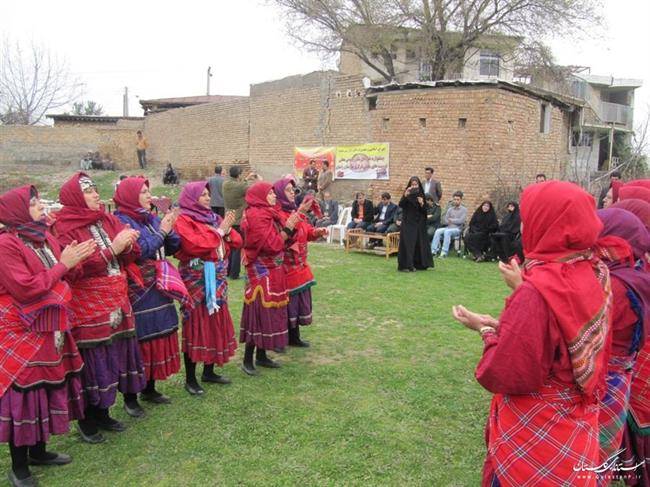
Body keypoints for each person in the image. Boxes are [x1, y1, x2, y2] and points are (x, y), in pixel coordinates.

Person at [452, 181, 612, 487]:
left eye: (529, 218)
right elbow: (559, 338)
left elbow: (507, 371)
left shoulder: (539, 291)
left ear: (549, 224)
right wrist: (506, 324)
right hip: (575, 430)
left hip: (536, 440)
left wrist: (486, 329)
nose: (523, 226)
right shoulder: (594, 271)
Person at [0, 186, 95, 486]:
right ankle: (19, 467)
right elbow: (25, 287)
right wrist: (62, 265)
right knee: (25, 393)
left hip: (51, 322)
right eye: (33, 203)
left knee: (46, 385)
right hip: (22, 326)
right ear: (17, 210)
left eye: (40, 201)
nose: (41, 207)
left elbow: (65, 273)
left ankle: (39, 451)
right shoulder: (6, 244)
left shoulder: (42, 237)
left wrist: (75, 262)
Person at [54, 172, 145, 443]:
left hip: (117, 296)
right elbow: (73, 269)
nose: (96, 195)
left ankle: (104, 411)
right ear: (75, 197)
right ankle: (86, 418)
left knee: (113, 354)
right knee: (91, 360)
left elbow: (130, 253)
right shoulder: (65, 226)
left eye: (95, 189)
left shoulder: (106, 219)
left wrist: (128, 244)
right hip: (89, 302)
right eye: (89, 191)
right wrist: (111, 250)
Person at [113, 177, 186, 405]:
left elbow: (173, 245)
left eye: (148, 192)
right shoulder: (121, 221)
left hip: (158, 285)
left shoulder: (149, 219)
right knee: (139, 339)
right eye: (143, 192)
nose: (148, 196)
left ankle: (150, 387)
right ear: (130, 195)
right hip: (138, 288)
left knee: (159, 331)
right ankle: (131, 396)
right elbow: (140, 250)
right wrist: (162, 233)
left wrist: (169, 229)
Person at [594, 208, 650, 483]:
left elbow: (575, 335)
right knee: (601, 455)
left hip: (600, 382)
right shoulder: (636, 277)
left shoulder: (612, 286)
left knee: (588, 458)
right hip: (619, 382)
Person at [174, 182, 242, 395]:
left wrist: (226, 232)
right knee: (196, 323)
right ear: (191, 198)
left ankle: (209, 371)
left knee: (214, 322)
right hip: (196, 279)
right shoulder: (184, 220)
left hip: (218, 278)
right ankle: (191, 377)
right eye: (202, 195)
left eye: (208, 194)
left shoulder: (213, 218)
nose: (207, 198)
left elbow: (237, 242)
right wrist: (219, 233)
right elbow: (195, 245)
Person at [239, 182, 299, 375]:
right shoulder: (256, 216)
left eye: (274, 193)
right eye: (270, 193)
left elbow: (283, 241)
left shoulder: (269, 213)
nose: (274, 196)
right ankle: (248, 359)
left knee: (268, 313)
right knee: (257, 312)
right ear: (260, 196)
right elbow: (272, 245)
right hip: (260, 271)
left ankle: (262, 356)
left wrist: (290, 228)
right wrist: (288, 228)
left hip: (274, 269)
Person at [273, 178, 326, 347]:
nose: (292, 193)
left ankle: (294, 337)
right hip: (287, 267)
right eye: (288, 190)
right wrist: (300, 214)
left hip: (300, 266)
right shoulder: (278, 214)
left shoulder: (295, 211)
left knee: (298, 302)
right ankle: (281, 339)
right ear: (280, 193)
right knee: (287, 305)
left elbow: (305, 231)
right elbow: (285, 236)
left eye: (293, 190)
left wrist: (316, 232)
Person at [222, 166, 257, 279]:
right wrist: (258, 179)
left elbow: (239, 185)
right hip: (238, 219)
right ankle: (234, 273)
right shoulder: (241, 186)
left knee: (229, 247)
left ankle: (227, 271)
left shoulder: (226, 184)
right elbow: (251, 189)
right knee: (237, 247)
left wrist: (246, 178)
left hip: (228, 218)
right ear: (238, 175)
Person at [397, 177, 434, 272]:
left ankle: (419, 264)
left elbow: (424, 212)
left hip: (419, 224)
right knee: (408, 244)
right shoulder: (407, 194)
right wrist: (405, 196)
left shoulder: (422, 195)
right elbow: (401, 205)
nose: (414, 186)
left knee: (419, 244)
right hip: (408, 223)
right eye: (412, 184)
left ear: (419, 185)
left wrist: (422, 204)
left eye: (416, 184)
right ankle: (406, 265)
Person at [430, 191, 467, 258]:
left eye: (457, 200)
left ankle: (444, 253)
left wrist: (452, 220)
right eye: (454, 199)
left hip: (458, 229)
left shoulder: (464, 210)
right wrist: (454, 220)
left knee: (447, 232)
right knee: (438, 231)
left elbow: (461, 221)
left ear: (461, 200)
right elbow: (446, 220)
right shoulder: (450, 209)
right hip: (448, 227)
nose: (456, 201)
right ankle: (433, 251)